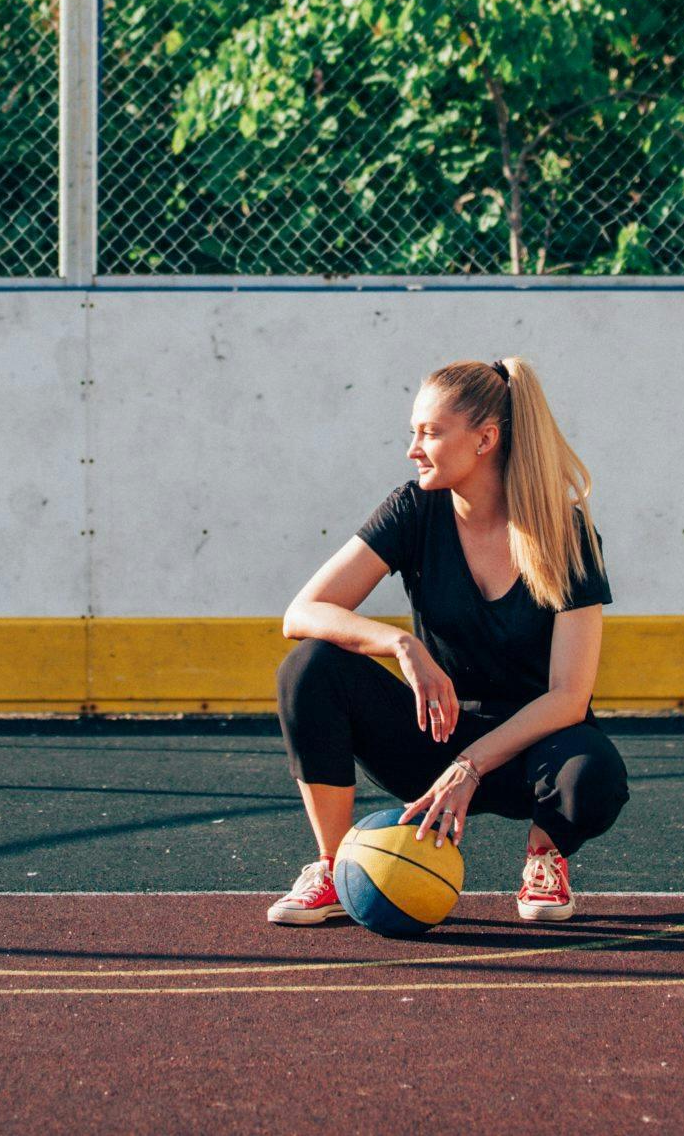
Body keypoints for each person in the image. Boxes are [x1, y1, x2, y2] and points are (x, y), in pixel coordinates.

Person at [268, 355, 627, 926]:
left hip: (528, 750)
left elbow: (569, 696)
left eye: (430, 433)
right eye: (414, 432)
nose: (414, 448)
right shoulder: (414, 509)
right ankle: (333, 868)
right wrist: (401, 645)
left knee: (594, 775)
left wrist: (471, 765)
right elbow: (303, 611)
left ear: (485, 439)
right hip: (434, 728)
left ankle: (543, 857)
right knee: (308, 667)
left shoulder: (567, 535)